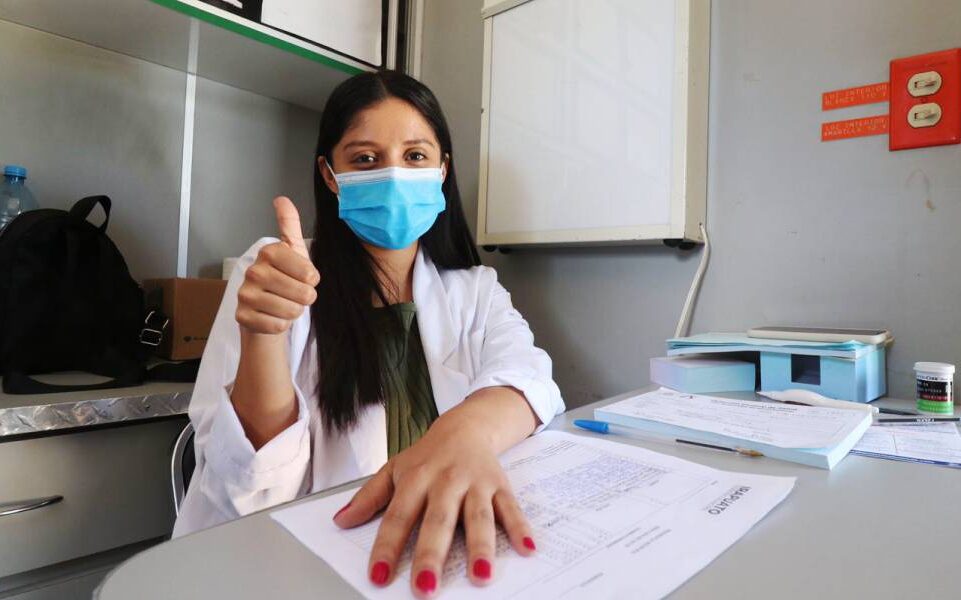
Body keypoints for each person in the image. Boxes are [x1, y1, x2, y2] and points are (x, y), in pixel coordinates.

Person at [173, 70, 564, 597]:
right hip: (300, 567)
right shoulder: (277, 271)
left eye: (415, 155)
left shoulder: (475, 289)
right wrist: (263, 336)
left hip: (436, 564)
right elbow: (250, 485)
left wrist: (464, 434)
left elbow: (530, 380)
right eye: (365, 159)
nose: (394, 175)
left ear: (442, 170)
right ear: (330, 175)